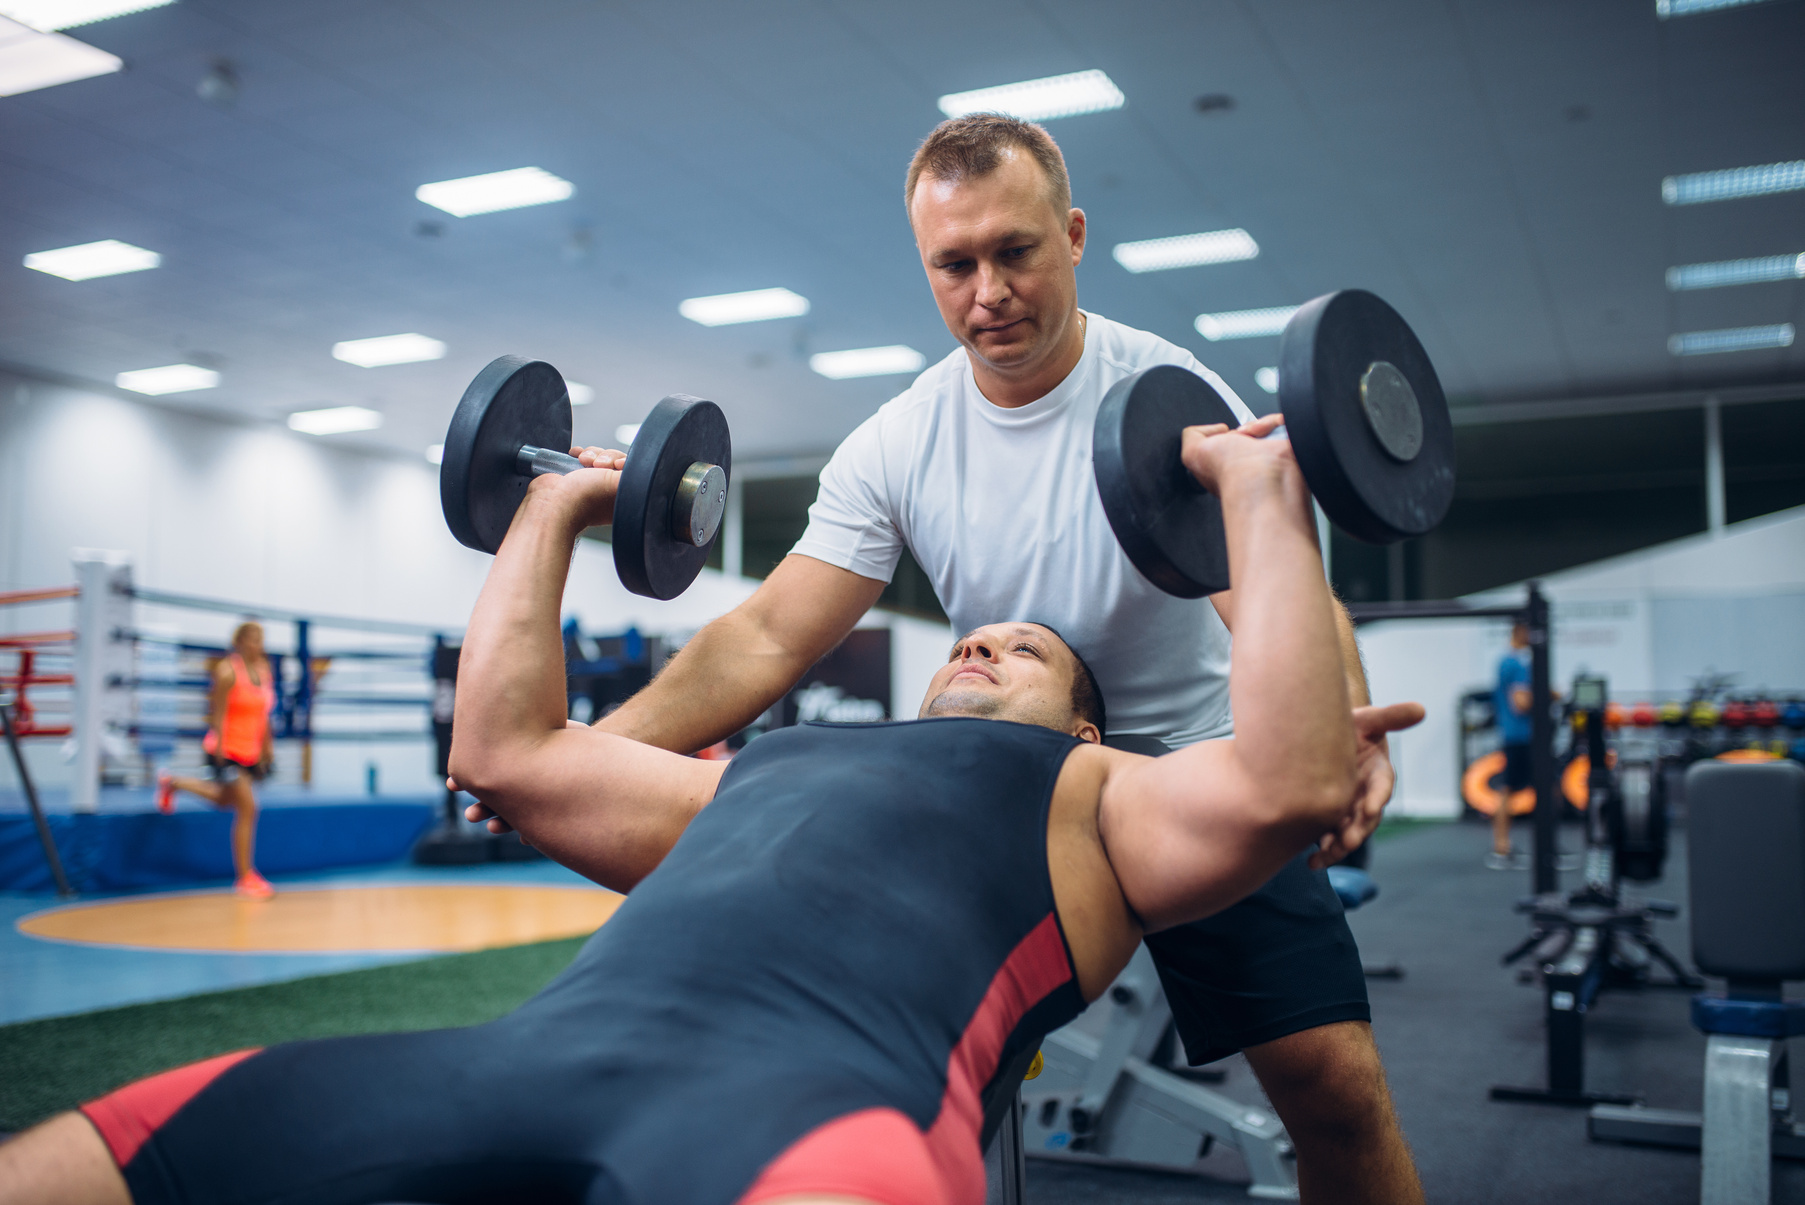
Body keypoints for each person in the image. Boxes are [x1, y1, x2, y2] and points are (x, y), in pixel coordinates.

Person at [0, 412, 1423, 1205]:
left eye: (1027, 650)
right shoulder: (757, 773)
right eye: (967, 640)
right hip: (512, 1059)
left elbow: (1289, 777)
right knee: (73, 1161)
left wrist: (1258, 484)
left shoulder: (1101, 797)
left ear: (1090, 719)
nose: (981, 641)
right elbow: (503, 753)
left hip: (813, 1119)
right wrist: (549, 511)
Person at [476, 114, 1421, 1202]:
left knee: (1333, 1085)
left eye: (1014, 252)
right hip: (1009, 798)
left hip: (1202, 770)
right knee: (881, 1080)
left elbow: (1272, 587)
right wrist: (589, 757)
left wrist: (1334, 724)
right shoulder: (900, 439)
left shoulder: (1163, 396)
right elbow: (770, 632)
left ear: (1071, 236)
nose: (988, 292)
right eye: (954, 264)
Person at [155, 621, 276, 899]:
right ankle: (245, 877)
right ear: (240, 642)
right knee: (248, 808)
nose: (258, 645)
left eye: (261, 639)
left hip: (251, 752)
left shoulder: (263, 671)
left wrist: (267, 747)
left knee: (224, 800)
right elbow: (217, 713)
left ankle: (172, 782)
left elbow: (264, 714)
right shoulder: (226, 672)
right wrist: (219, 752)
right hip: (226, 750)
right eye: (253, 639)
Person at [1487, 621, 1534, 869]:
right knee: (1508, 790)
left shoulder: (1507, 662)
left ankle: (1503, 846)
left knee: (1545, 788)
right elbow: (1522, 703)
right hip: (1521, 736)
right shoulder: (1516, 664)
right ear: (1521, 631)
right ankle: (1501, 847)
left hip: (1516, 735)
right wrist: (1550, 695)